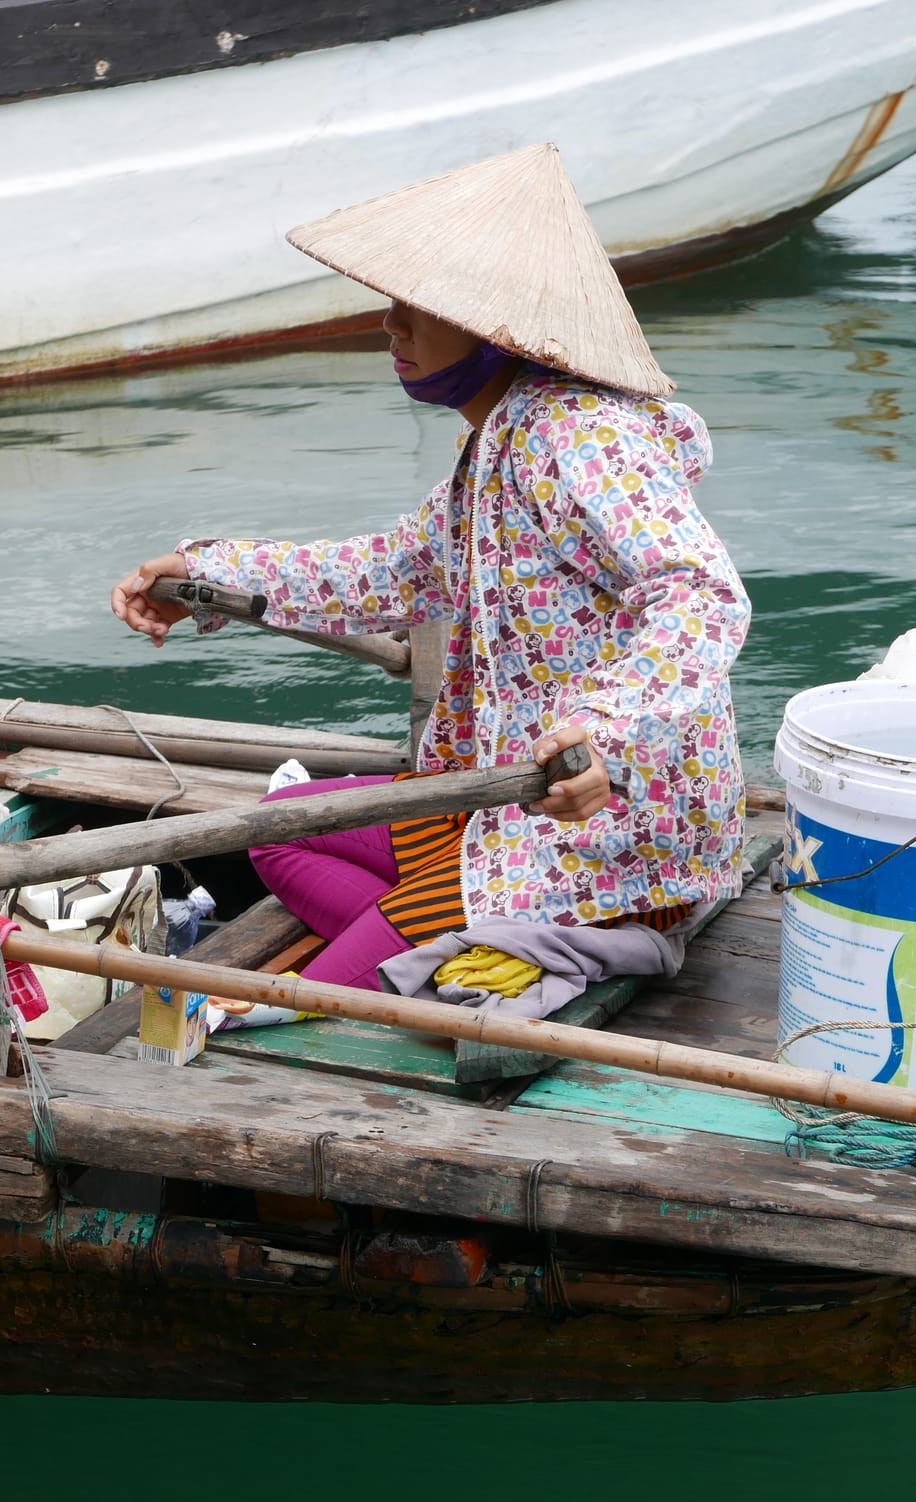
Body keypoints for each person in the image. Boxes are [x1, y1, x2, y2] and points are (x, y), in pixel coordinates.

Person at [110, 143, 750, 1003]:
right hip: (504, 800)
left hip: (596, 828)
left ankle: (424, 944)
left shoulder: (581, 437)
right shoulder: (500, 437)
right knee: (273, 834)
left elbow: (698, 595)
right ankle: (423, 934)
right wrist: (205, 578)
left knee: (288, 1012)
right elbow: (401, 568)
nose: (391, 327)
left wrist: (604, 729)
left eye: (417, 307)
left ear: (496, 329)